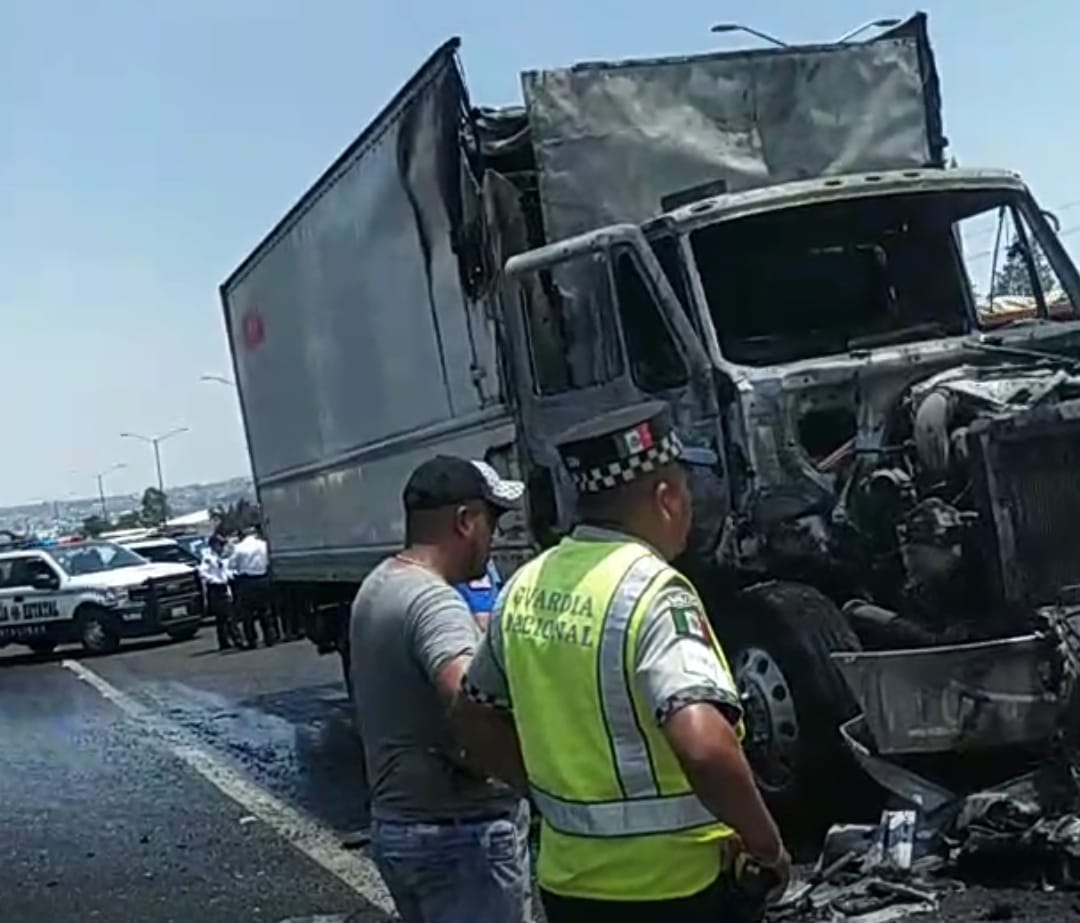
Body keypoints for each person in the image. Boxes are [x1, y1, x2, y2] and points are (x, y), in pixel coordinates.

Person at [457, 402, 790, 922]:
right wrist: (766, 846)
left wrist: (541, 792)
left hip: (569, 887)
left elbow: (473, 713)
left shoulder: (525, 586)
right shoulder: (654, 593)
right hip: (675, 891)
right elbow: (703, 745)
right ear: (666, 497)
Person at [349, 455, 531, 923]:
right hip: (460, 840)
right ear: (465, 521)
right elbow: (469, 705)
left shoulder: (379, 585)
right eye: (493, 520)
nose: (496, 536)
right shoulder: (436, 603)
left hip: (402, 829)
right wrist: (530, 781)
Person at [229, 524, 276, 649]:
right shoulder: (263, 545)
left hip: (246, 581)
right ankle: (269, 636)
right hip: (262, 578)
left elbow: (231, 565)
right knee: (265, 610)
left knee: (247, 614)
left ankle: (252, 640)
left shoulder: (238, 548)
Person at [200, 532, 240, 651]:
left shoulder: (223, 556)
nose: (221, 547)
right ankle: (235, 639)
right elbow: (202, 572)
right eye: (219, 544)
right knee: (225, 616)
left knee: (226, 616)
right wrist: (214, 580)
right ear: (213, 545)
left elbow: (227, 570)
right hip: (216, 588)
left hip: (225, 586)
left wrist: (231, 575)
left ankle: (226, 641)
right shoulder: (208, 557)